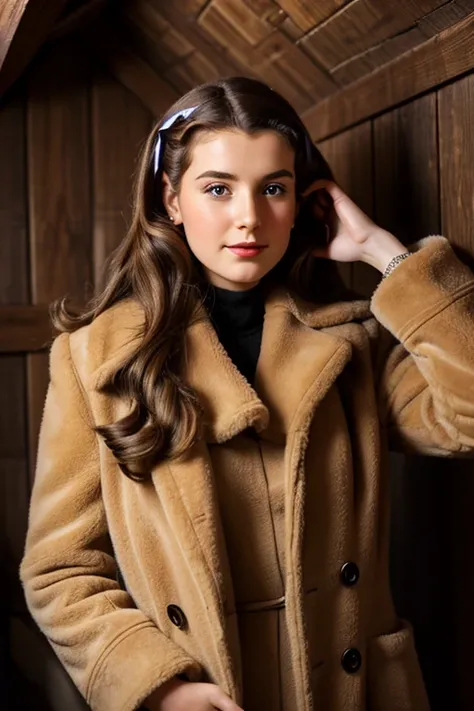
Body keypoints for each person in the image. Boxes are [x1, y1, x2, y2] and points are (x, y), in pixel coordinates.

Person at [20, 76, 474, 711]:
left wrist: (384, 255)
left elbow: (467, 418)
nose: (250, 218)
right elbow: (60, 569)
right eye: (217, 189)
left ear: (304, 200)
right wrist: (158, 686)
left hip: (359, 691)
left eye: (274, 189)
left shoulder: (353, 343)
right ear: (171, 200)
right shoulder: (99, 356)